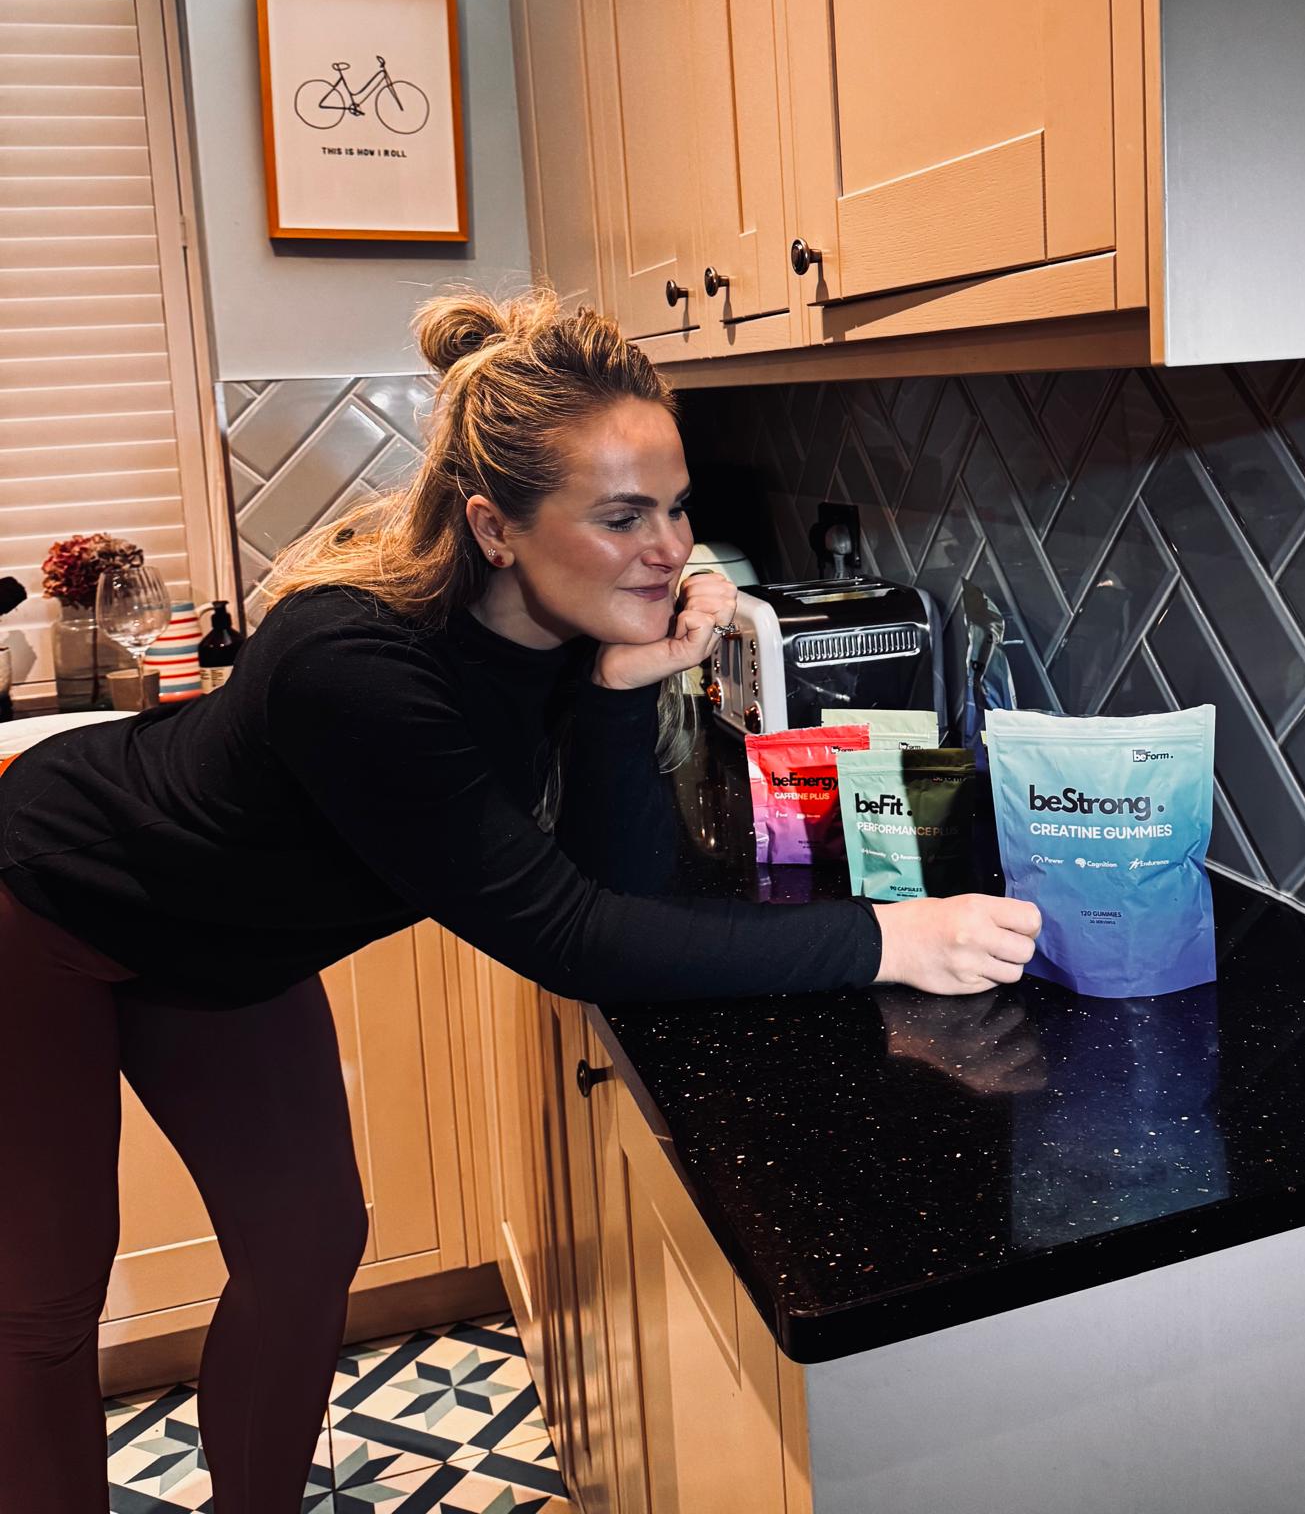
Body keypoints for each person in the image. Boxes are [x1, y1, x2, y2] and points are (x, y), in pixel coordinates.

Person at [0, 287, 1041, 1513]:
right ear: (496, 527)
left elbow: (619, 882)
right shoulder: (356, 664)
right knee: (44, 1299)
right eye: (622, 516)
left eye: (676, 507)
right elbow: (574, 936)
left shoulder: (564, 640)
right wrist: (886, 938)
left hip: (233, 946)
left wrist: (625, 688)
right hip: (55, 899)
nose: (672, 548)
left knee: (305, 1245)